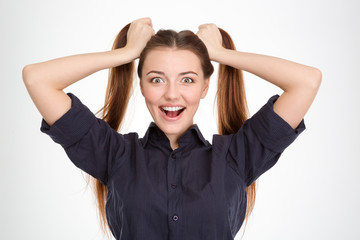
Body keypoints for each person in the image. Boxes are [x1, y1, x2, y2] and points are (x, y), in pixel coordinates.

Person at [22, 17, 321, 240]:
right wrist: (125, 55)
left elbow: (306, 82)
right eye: (156, 79)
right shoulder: (115, 155)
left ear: (205, 86)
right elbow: (37, 79)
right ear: (141, 85)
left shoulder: (236, 157)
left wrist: (220, 54)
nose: (172, 94)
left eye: (188, 79)